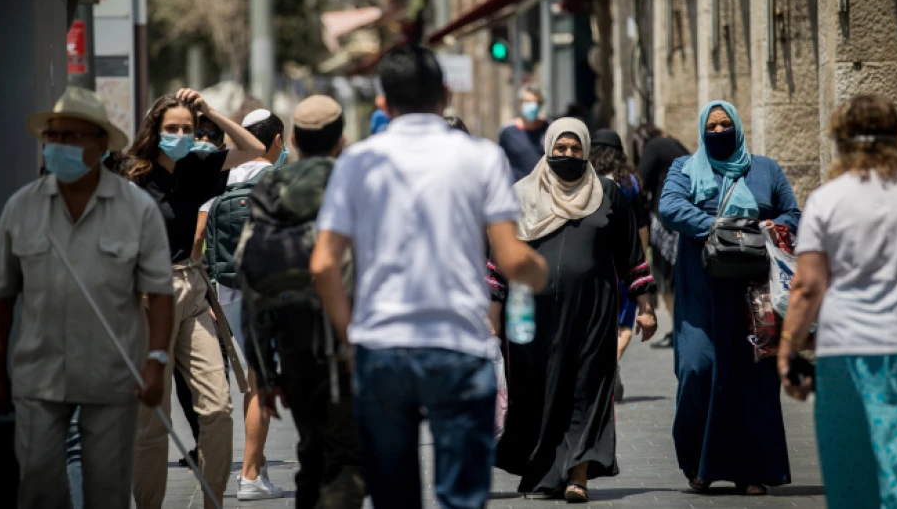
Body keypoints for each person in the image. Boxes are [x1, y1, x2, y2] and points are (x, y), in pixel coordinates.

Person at [310, 43, 549, 509]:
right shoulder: (482, 158)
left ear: (383, 103)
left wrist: (348, 337)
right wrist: (538, 271)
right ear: (444, 95)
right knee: (461, 499)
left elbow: (322, 264)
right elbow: (511, 258)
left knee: (394, 498)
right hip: (458, 347)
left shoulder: (357, 162)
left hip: (381, 350)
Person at [0, 87, 175, 509]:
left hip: (112, 377)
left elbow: (159, 294)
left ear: (100, 144)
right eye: (54, 137)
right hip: (39, 378)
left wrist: (156, 363)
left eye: (72, 137)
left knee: (106, 492)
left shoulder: (136, 210)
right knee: (39, 489)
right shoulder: (22, 208)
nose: (59, 146)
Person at [779, 94, 897, 509]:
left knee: (854, 473)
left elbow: (807, 286)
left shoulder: (828, 200)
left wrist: (787, 351)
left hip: (849, 352)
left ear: (839, 139)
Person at [490, 119, 657, 503]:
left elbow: (631, 252)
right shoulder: (520, 196)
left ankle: (578, 473)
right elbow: (498, 258)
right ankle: (544, 471)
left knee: (586, 387)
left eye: (574, 149)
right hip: (531, 318)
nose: (567, 156)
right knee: (538, 392)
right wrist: (492, 308)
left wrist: (645, 305)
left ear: (585, 151)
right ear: (548, 148)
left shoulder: (607, 194)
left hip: (592, 313)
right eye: (560, 149)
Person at [125, 88, 266, 509]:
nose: (181, 135)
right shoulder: (132, 174)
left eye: (188, 128)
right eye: (172, 128)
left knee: (218, 408)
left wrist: (210, 112)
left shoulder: (199, 163)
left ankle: (212, 500)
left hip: (192, 286)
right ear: (155, 129)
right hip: (147, 293)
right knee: (151, 419)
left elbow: (255, 149)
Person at [660, 101, 800, 495]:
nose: (719, 132)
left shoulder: (766, 169)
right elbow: (670, 207)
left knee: (750, 379)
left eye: (725, 125)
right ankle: (698, 465)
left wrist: (774, 225)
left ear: (738, 128)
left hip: (752, 295)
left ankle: (750, 469)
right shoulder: (684, 169)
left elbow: (793, 213)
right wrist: (719, 227)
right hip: (701, 291)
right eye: (712, 126)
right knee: (696, 369)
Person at [243, 95, 366, 509]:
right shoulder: (357, 183)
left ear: (293, 139)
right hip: (350, 337)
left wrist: (262, 371)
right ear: (342, 140)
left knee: (312, 444)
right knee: (347, 455)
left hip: (293, 339)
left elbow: (252, 277)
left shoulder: (271, 187)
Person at [194, 108, 289, 500]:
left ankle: (258, 466)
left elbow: (198, 238)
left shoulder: (221, 179)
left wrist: (207, 292)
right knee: (261, 380)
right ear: (278, 140)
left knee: (253, 378)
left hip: (228, 291)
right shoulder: (280, 180)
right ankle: (249, 476)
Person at [588, 128, 650, 401]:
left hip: (592, 259)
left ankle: (601, 370)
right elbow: (642, 226)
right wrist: (641, 258)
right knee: (624, 322)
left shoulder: (582, 179)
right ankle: (610, 367)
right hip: (624, 261)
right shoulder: (631, 183)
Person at [635, 123, 689, 349]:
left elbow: (639, 181)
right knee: (679, 276)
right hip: (683, 216)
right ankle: (682, 330)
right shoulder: (675, 144)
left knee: (665, 277)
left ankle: (676, 332)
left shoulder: (653, 147)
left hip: (663, 220)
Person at [498, 85, 550, 182]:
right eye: (528, 102)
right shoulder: (508, 132)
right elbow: (500, 163)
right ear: (519, 104)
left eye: (536, 102)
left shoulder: (549, 129)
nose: (533, 106)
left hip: (544, 187)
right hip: (518, 189)